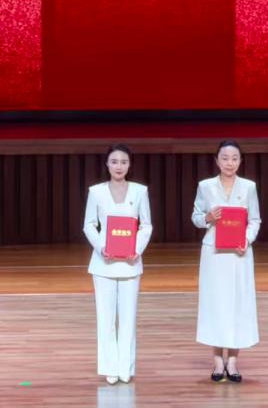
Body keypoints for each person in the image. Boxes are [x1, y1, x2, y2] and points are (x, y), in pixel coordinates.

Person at [192, 139, 261, 383]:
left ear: (240, 161)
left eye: (234, 158)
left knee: (237, 304)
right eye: (224, 158)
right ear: (217, 161)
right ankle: (217, 361)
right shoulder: (206, 186)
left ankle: (232, 360)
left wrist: (247, 239)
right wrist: (208, 217)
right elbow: (196, 217)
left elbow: (255, 220)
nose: (229, 163)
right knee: (216, 304)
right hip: (214, 254)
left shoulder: (249, 187)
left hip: (239, 253)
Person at [83, 144, 153, 385]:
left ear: (129, 165)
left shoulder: (140, 191)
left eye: (123, 162)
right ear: (107, 164)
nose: (119, 166)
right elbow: (89, 225)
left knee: (128, 319)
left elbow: (146, 225)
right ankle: (109, 367)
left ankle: (125, 367)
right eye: (114, 161)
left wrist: (137, 249)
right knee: (105, 319)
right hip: (104, 263)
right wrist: (101, 248)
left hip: (130, 263)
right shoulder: (96, 192)